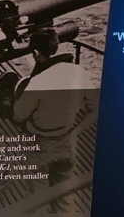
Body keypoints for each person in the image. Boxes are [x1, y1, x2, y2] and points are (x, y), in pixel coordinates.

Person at [13, 27, 94, 195]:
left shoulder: (37, 83)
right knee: (64, 194)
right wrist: (75, 132)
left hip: (39, 146)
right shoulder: (78, 71)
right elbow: (95, 107)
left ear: (36, 53)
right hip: (66, 140)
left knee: (37, 196)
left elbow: (18, 116)